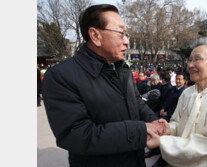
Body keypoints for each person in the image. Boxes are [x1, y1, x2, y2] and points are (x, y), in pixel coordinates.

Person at [42, 4, 167, 167]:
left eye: (127, 34)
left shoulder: (123, 69)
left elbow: (136, 103)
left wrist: (155, 122)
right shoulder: (61, 76)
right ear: (95, 36)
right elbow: (77, 135)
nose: (127, 41)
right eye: (121, 33)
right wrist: (141, 130)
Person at [147, 37, 207, 167]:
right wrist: (167, 128)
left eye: (197, 59)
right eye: (190, 60)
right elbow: (178, 123)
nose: (190, 65)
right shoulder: (187, 94)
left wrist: (163, 142)